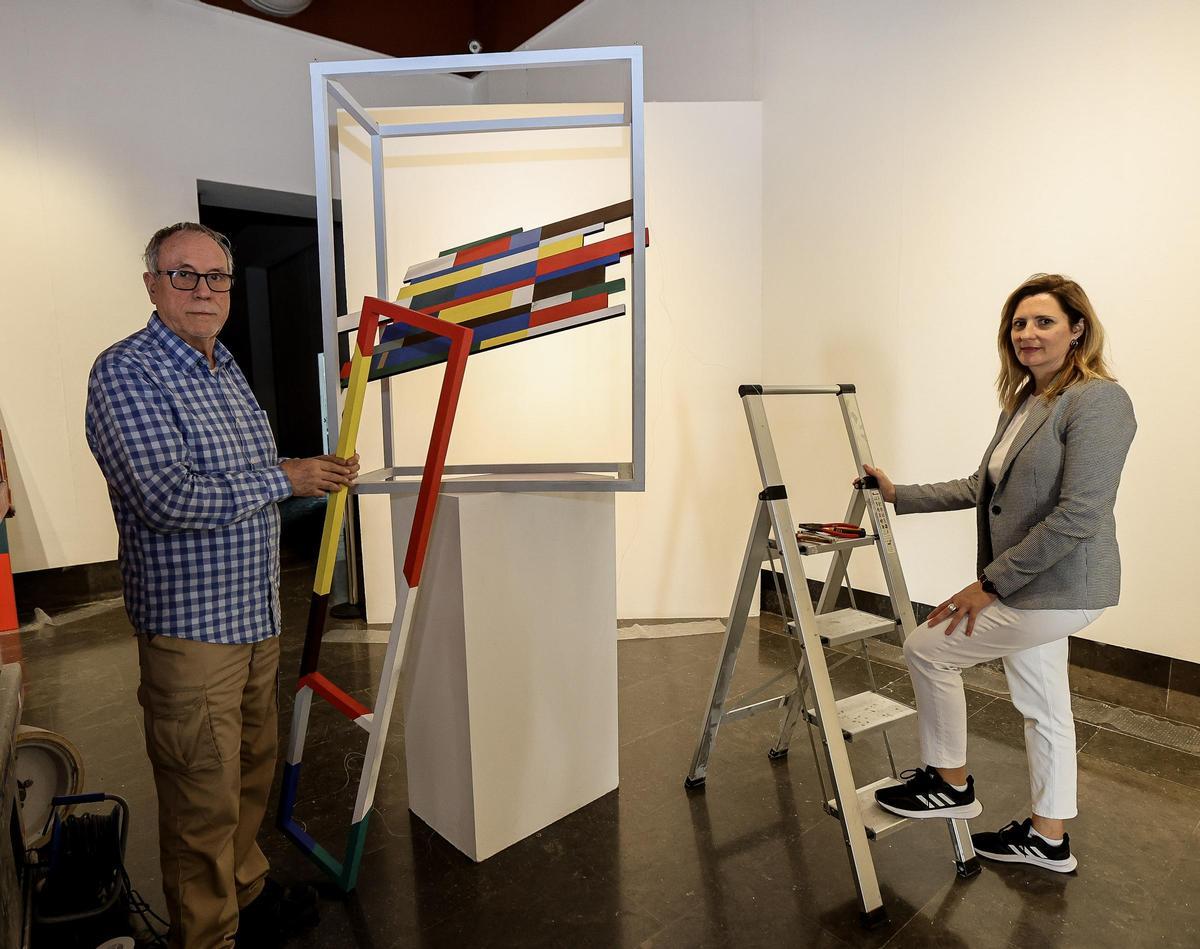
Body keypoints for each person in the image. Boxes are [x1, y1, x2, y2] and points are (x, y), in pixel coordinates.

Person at [85, 222, 359, 947]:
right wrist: (286, 475)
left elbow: (249, 490)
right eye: (184, 275)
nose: (203, 290)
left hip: (254, 617)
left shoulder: (225, 366)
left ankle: (245, 892)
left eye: (216, 278)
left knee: (245, 776)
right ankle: (208, 934)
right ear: (152, 284)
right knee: (201, 795)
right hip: (192, 631)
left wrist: (311, 481)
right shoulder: (126, 371)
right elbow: (166, 496)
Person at [867, 273, 1135, 873]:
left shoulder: (1099, 401)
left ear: (1078, 330)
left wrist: (989, 586)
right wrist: (898, 493)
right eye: (1019, 323)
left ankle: (949, 781)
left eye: (1044, 321)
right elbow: (978, 486)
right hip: (1035, 586)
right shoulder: (1024, 402)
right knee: (1045, 708)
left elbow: (1080, 515)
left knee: (927, 648)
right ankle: (1048, 838)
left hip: (1061, 587)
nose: (1029, 334)